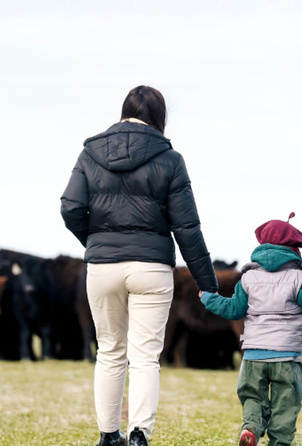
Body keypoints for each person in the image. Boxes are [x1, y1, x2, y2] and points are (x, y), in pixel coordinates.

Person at [61, 85, 218, 446]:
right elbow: (187, 228)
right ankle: (139, 436)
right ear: (159, 118)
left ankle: (107, 435)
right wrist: (207, 282)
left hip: (102, 267)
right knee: (145, 356)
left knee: (110, 351)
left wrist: (97, 241)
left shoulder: (90, 152)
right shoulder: (170, 159)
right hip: (151, 267)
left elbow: (70, 207)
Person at [199, 213, 302, 446]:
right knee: (285, 406)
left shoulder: (248, 279)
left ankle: (250, 427)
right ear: (292, 249)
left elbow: (233, 310)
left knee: (252, 397)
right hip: (286, 356)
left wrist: (209, 298)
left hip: (253, 355)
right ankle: (278, 443)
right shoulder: (299, 278)